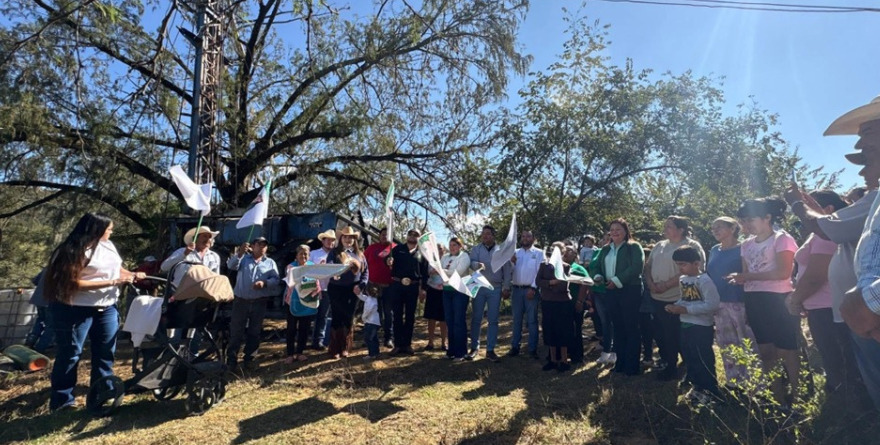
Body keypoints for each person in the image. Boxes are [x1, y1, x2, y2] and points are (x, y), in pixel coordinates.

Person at [790, 99, 880, 409]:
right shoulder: (875, 199)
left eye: (867, 133)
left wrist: (867, 301)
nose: (859, 144)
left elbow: (829, 229)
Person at [43, 213, 145, 411]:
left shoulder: (108, 246)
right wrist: (114, 282)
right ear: (95, 230)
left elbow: (117, 268)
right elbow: (72, 282)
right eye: (108, 229)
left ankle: (102, 393)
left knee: (105, 351)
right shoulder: (71, 250)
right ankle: (62, 401)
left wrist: (130, 274)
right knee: (71, 353)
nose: (111, 232)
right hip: (74, 309)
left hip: (107, 307)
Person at [727, 197, 800, 405]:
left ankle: (797, 398)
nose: (746, 225)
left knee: (787, 350)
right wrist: (741, 278)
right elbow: (746, 273)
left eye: (751, 220)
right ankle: (777, 398)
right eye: (743, 221)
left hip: (779, 299)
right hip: (755, 300)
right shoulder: (746, 244)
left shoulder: (782, 238)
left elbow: (783, 273)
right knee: (766, 351)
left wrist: (746, 277)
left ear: (767, 217)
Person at [787, 190, 861, 393]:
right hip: (822, 307)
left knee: (839, 362)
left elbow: (815, 277)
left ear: (828, 209)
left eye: (809, 205)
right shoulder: (819, 235)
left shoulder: (825, 236)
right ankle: (844, 402)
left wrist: (795, 300)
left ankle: (848, 407)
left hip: (828, 308)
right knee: (834, 359)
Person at [644, 216, 705, 381]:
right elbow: (648, 266)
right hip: (657, 297)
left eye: (669, 226)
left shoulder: (691, 246)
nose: (665, 229)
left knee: (677, 335)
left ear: (681, 229)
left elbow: (692, 270)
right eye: (665, 226)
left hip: (679, 299)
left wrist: (666, 285)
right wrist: (650, 283)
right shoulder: (659, 245)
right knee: (662, 334)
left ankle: (679, 368)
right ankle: (668, 362)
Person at [666, 245, 721, 404]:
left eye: (683, 264)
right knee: (690, 357)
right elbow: (686, 298)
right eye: (678, 264)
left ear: (696, 263)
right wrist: (675, 305)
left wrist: (685, 309)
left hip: (701, 326)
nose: (680, 268)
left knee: (703, 358)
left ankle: (710, 390)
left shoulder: (704, 280)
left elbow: (712, 305)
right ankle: (697, 386)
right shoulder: (683, 280)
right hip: (685, 324)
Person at [590, 219, 645, 376]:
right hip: (611, 292)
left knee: (631, 327)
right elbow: (595, 266)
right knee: (618, 327)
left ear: (626, 231)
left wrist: (616, 280)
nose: (614, 232)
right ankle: (620, 363)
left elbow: (636, 267)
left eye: (618, 229)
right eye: (612, 229)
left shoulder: (633, 247)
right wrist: (598, 276)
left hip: (629, 290)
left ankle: (632, 365)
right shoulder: (606, 249)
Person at [706, 217, 757, 386]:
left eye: (719, 227)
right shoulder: (714, 250)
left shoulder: (743, 247)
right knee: (726, 343)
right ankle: (734, 381)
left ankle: (755, 382)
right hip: (719, 302)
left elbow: (748, 272)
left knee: (746, 341)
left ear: (733, 228)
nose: (715, 230)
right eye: (713, 228)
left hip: (740, 301)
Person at [226, 236, 280, 369]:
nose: (262, 247)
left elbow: (276, 279)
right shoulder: (243, 259)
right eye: (259, 244)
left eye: (264, 245)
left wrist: (265, 283)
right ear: (253, 246)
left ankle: (249, 359)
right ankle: (231, 359)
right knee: (236, 331)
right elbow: (230, 266)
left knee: (254, 332)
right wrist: (239, 253)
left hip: (259, 302)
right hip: (241, 301)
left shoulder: (270, 262)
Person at [468, 225, 512, 362]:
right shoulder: (476, 249)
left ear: (493, 236)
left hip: (496, 288)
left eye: (488, 234)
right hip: (479, 287)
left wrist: (506, 287)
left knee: (493, 320)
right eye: (483, 233)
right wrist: (477, 265)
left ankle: (490, 350)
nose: (485, 236)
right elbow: (470, 263)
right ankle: (474, 348)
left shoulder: (501, 250)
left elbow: (507, 269)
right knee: (476, 318)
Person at [325, 226, 368, 359]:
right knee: (337, 316)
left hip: (353, 289)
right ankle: (335, 348)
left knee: (349, 317)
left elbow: (366, 272)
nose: (348, 240)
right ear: (341, 238)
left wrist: (361, 285)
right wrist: (337, 272)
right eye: (345, 237)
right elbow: (330, 266)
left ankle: (345, 347)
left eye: (351, 237)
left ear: (354, 239)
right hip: (336, 288)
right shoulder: (334, 253)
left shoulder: (360, 254)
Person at [387, 229, 428, 355]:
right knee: (397, 315)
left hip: (413, 287)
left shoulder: (422, 253)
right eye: (410, 234)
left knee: (410, 316)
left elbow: (425, 273)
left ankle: (407, 344)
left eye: (415, 235)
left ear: (419, 237)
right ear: (407, 235)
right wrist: (388, 262)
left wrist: (423, 289)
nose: (412, 236)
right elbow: (387, 261)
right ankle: (398, 345)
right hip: (397, 285)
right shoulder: (397, 249)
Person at [537, 242, 575, 372]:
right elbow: (538, 281)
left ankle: (564, 360)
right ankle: (553, 360)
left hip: (563, 303)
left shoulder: (566, 266)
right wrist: (552, 282)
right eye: (553, 249)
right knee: (550, 330)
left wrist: (548, 285)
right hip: (548, 302)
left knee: (563, 331)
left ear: (563, 252)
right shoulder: (544, 265)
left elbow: (563, 286)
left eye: (559, 250)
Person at [508, 229, 543, 359]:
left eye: (528, 236)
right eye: (523, 236)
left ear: (533, 239)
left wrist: (533, 288)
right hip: (516, 290)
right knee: (516, 320)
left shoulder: (539, 253)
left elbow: (540, 272)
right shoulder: (515, 253)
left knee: (532, 320)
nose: (525, 238)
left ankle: (532, 349)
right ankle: (515, 347)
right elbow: (510, 271)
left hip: (531, 290)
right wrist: (511, 262)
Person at [284, 245, 318, 363]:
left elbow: (316, 283)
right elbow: (292, 282)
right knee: (291, 328)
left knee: (304, 328)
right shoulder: (291, 267)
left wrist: (315, 289)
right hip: (293, 301)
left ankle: (300, 352)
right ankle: (289, 354)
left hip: (307, 301)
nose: (303, 256)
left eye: (306, 254)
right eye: (301, 254)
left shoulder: (312, 267)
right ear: (296, 256)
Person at [363, 228, 396, 348]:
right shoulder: (371, 248)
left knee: (388, 313)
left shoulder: (395, 248)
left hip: (389, 286)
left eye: (387, 235)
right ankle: (371, 338)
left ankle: (389, 338)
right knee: (373, 312)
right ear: (379, 236)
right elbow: (363, 263)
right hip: (373, 286)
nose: (384, 236)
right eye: (382, 234)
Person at [441, 237, 472, 361]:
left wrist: (441, 271)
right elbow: (442, 270)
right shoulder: (445, 257)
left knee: (459, 321)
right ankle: (451, 351)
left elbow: (458, 272)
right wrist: (442, 271)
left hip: (459, 291)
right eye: (451, 245)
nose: (452, 247)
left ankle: (461, 352)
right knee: (449, 321)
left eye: (455, 245)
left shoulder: (464, 256)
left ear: (460, 246)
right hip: (446, 291)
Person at [309, 229, 336, 350]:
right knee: (311, 315)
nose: (330, 242)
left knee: (324, 315)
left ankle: (320, 340)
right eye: (328, 239)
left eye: (332, 240)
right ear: (323, 240)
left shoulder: (337, 255)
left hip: (330, 288)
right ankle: (309, 339)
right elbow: (307, 268)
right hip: (315, 288)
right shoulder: (314, 253)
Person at [564, 245, 590, 364]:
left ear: (575, 255)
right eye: (565, 249)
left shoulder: (578, 269)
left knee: (576, 330)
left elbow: (586, 284)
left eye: (570, 250)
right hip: (561, 304)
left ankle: (577, 356)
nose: (566, 252)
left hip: (575, 304)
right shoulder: (558, 267)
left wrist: (580, 301)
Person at [422, 242, 447, 352]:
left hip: (444, 291)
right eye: (436, 249)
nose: (439, 250)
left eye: (440, 248)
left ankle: (444, 343)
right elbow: (426, 273)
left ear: (444, 250)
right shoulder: (430, 261)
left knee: (443, 319)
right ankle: (430, 342)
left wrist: (441, 271)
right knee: (431, 318)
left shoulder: (448, 261)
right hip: (432, 290)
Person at [25, 270, 54, 353]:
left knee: (40, 320)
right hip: (51, 301)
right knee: (51, 326)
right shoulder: (63, 268)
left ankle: (30, 342)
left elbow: (35, 281)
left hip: (39, 299)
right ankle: (41, 348)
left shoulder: (48, 267)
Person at [358, 289, 381, 360]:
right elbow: (362, 297)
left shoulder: (371, 301)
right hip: (375, 322)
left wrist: (363, 318)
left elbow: (368, 311)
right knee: (374, 338)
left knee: (368, 338)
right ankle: (376, 352)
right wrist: (358, 293)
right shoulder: (372, 299)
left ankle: (372, 354)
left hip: (371, 322)